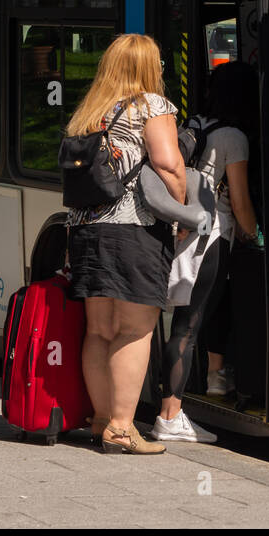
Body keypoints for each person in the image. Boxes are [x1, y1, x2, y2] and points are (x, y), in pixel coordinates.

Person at [65, 33, 186, 455]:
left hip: (86, 229)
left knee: (99, 330)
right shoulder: (152, 105)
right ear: (147, 67)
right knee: (135, 329)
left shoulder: (89, 111)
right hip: (134, 231)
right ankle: (121, 426)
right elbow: (168, 164)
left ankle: (102, 420)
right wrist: (183, 208)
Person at [153, 61, 260, 442]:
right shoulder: (234, 136)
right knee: (189, 326)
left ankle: (190, 397)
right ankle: (170, 415)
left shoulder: (194, 124)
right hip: (212, 236)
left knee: (184, 320)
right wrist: (253, 234)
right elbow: (242, 202)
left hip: (182, 231)